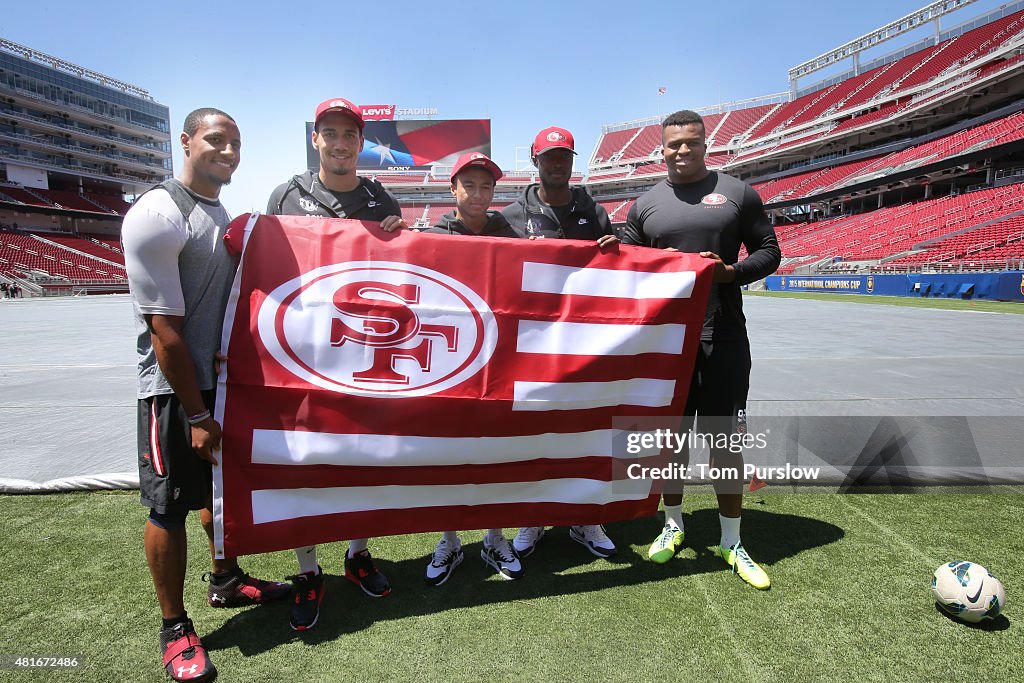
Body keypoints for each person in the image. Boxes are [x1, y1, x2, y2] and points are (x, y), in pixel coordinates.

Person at [122, 108, 289, 683]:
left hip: (220, 386)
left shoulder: (220, 214)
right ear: (186, 141)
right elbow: (164, 331)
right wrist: (195, 412)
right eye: (216, 140)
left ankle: (225, 580)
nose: (229, 151)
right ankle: (174, 628)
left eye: (237, 143)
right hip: (171, 392)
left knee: (214, 491)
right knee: (168, 505)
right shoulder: (157, 213)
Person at [620, 109, 781, 590]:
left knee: (724, 443)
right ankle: (673, 525)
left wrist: (731, 273)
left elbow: (769, 251)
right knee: (669, 443)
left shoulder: (737, 194)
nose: (682, 150)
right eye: (673, 144)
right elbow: (625, 263)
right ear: (661, 149)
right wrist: (606, 251)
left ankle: (732, 540)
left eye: (691, 142)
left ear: (705, 144)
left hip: (724, 337)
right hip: (666, 344)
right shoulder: (645, 206)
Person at [265, 97, 406, 630]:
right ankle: (307, 571)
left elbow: (402, 274)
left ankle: (357, 554)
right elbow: (265, 267)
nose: (341, 143)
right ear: (316, 139)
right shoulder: (288, 194)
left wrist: (400, 237)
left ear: (360, 141)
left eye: (351, 134)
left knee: (367, 460)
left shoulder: (380, 197)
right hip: (305, 354)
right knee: (306, 465)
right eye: (332, 133)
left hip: (367, 356)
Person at [501, 126, 620, 560]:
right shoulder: (511, 216)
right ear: (535, 160)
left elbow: (614, 276)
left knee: (584, 432)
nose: (557, 163)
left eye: (564, 156)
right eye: (549, 156)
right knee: (534, 436)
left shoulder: (595, 213)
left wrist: (615, 251)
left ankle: (585, 518)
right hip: (532, 346)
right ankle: (533, 515)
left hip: (583, 344)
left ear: (572, 161)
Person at [419, 152, 524, 584]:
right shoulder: (434, 234)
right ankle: (450, 539)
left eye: (486, 187)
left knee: (494, 451)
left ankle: (494, 537)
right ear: (453, 190)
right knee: (449, 453)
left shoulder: (508, 232)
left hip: (497, 360)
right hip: (451, 361)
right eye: (470, 186)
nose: (478, 194)